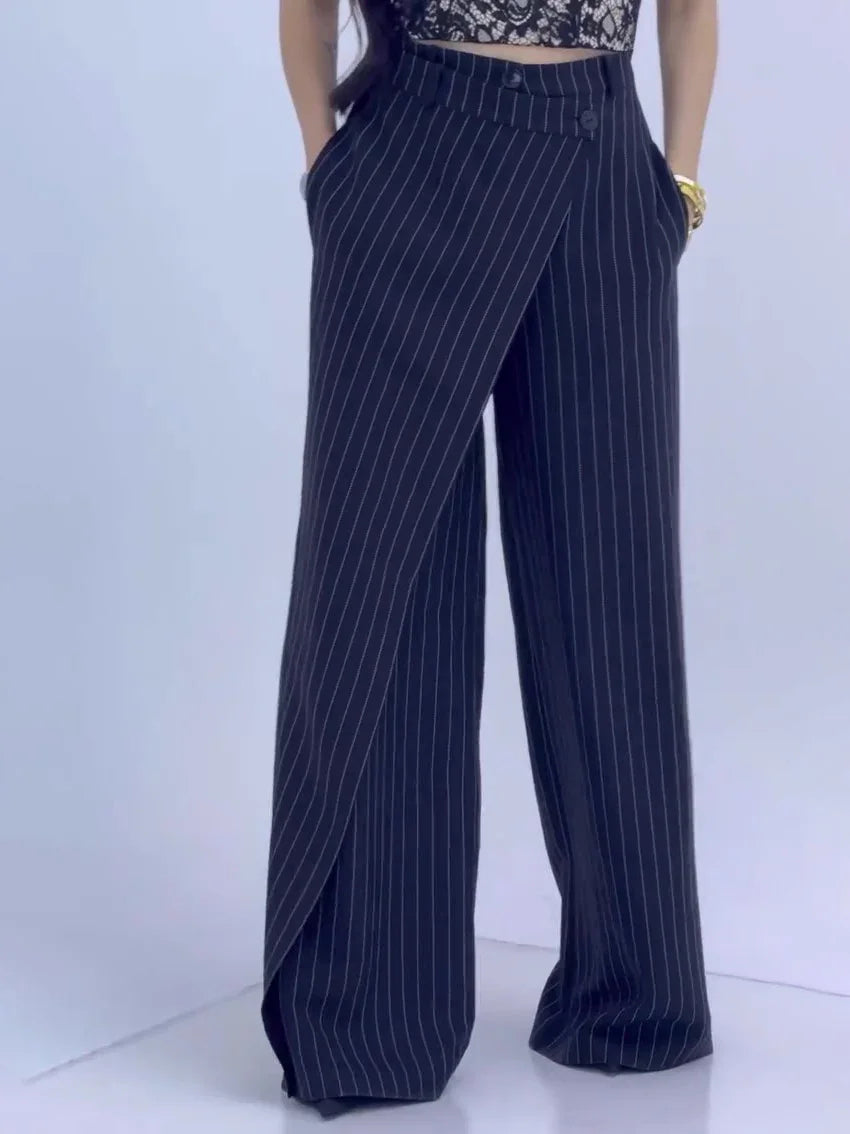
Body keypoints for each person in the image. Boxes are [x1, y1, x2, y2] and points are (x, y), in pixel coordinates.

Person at [263, 0, 717, 1118]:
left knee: (611, 584)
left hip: (606, 170)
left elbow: (692, 8)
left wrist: (678, 183)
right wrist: (325, 168)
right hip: (415, 153)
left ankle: (633, 994)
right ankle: (370, 1016)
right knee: (383, 582)